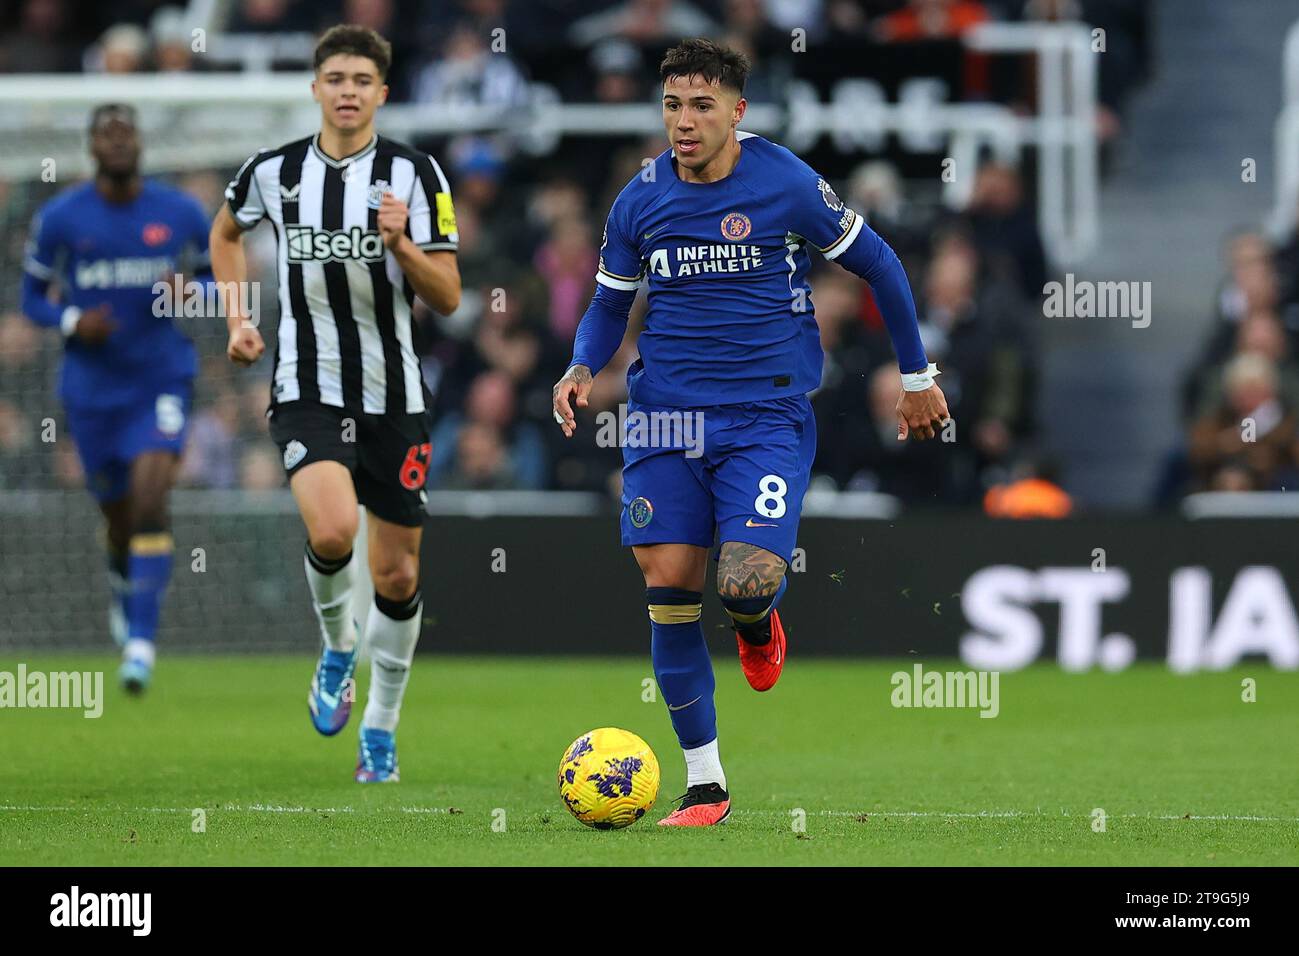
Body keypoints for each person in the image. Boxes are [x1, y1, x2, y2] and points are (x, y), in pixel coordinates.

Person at [551, 38, 949, 826]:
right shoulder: (638, 202)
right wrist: (579, 366)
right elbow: (608, 303)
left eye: (702, 105)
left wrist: (916, 378)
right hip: (663, 416)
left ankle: (756, 624)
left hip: (763, 417)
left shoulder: (788, 184)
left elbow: (882, 265)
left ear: (737, 110)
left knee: (743, 582)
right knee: (667, 587)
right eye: (672, 105)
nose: (685, 122)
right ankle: (706, 787)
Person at [210, 24, 461, 782]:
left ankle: (380, 729)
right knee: (331, 529)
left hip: (396, 396)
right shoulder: (274, 172)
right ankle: (336, 646)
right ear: (316, 88)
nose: (348, 91)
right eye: (336, 78)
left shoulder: (416, 175)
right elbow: (224, 235)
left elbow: (448, 296)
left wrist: (403, 247)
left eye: (362, 79)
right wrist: (238, 317)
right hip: (306, 386)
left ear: (383, 92)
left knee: (398, 578)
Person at [21, 103, 212, 693]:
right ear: (92, 148)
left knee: (152, 498)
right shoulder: (60, 217)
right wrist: (74, 319)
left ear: (141, 145)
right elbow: (31, 298)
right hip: (92, 391)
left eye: (127, 131)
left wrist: (190, 291)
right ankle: (119, 572)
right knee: (120, 515)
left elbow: (214, 282)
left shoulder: (179, 211)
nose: (119, 141)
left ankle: (140, 646)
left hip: (160, 378)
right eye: (108, 133)